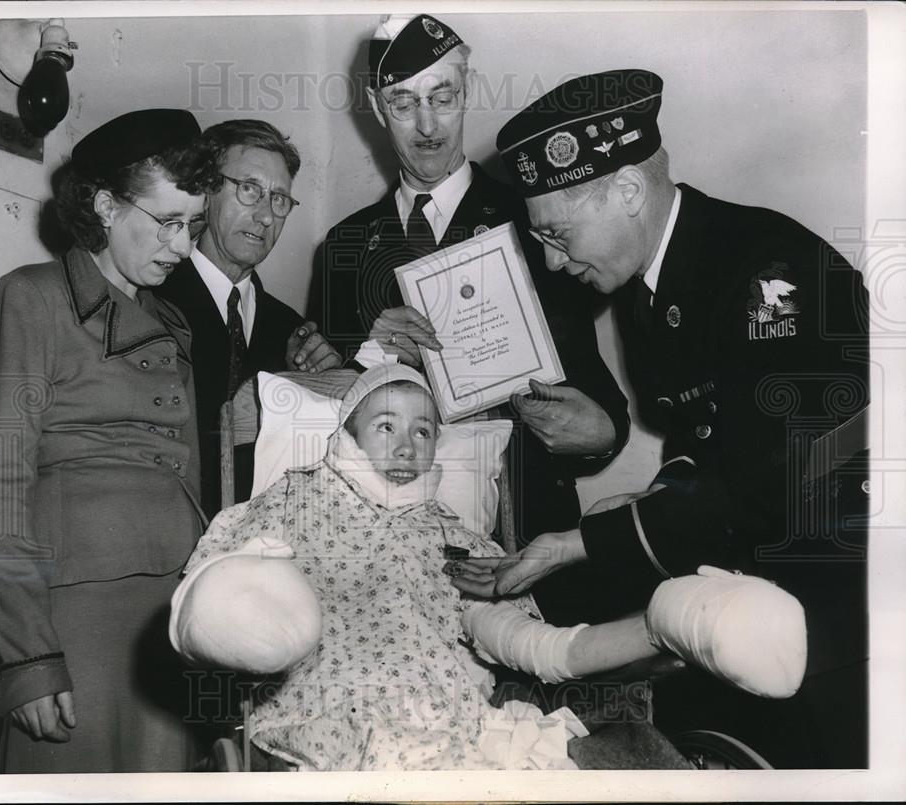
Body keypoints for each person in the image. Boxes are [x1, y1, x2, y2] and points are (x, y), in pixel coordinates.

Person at [453, 69, 869, 768]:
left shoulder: (768, 271)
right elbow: (697, 440)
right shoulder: (651, 289)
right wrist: (631, 509)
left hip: (837, 573)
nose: (553, 262)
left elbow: (762, 481)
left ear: (625, 191)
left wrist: (584, 539)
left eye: (558, 234)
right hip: (747, 551)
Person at [170, 365, 810, 771]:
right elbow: (223, 580)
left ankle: (665, 621)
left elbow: (515, 638)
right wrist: (245, 609)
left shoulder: (448, 531)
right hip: (331, 705)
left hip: (448, 711)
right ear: (349, 437)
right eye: (385, 425)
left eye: (424, 431)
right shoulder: (296, 498)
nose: (406, 444)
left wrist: (651, 631)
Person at [310, 14, 630, 624]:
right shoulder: (344, 247)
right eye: (404, 102)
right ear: (377, 109)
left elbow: (601, 412)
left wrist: (599, 434)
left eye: (443, 97)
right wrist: (361, 351)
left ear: (468, 91)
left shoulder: (536, 223)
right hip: (383, 555)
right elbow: (325, 410)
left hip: (521, 542)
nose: (427, 125)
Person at [0, 108, 217, 772]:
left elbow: (185, 472)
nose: (184, 245)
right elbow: (1, 486)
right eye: (167, 222)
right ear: (107, 205)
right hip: (77, 611)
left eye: (193, 224)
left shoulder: (171, 320)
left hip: (169, 608)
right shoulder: (31, 297)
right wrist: (27, 656)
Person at [156, 120, 341, 514]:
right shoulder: (154, 297)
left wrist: (317, 384)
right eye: (249, 189)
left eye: (279, 200)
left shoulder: (292, 328)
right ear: (207, 191)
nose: (266, 216)